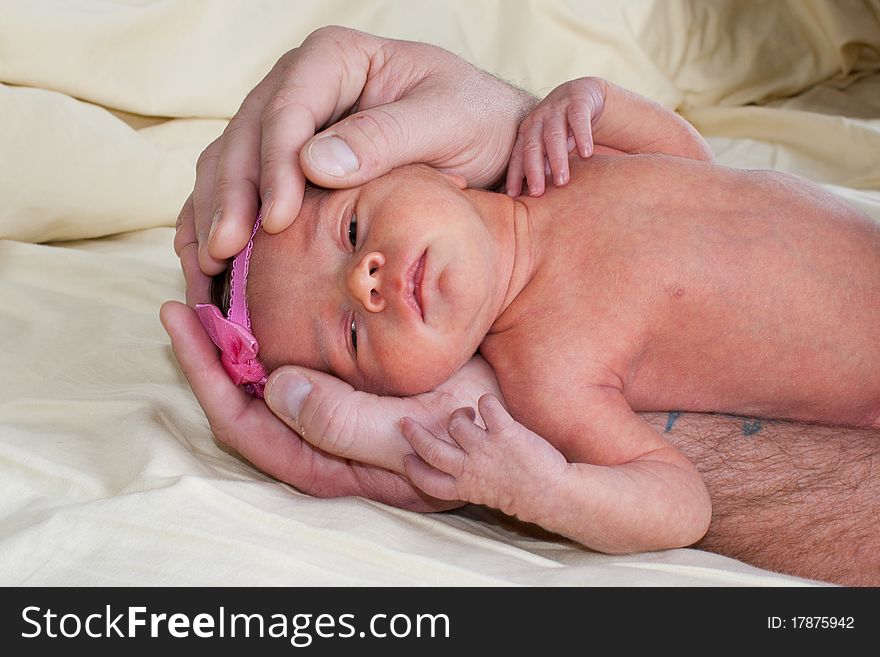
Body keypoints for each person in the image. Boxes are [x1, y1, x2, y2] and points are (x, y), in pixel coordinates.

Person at [162, 26, 880, 583]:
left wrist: (591, 97)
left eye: (352, 230)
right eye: (349, 334)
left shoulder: (553, 157)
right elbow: (679, 502)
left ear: (417, 164)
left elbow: (691, 162)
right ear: (398, 388)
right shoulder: (546, 376)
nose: (365, 283)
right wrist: (542, 490)